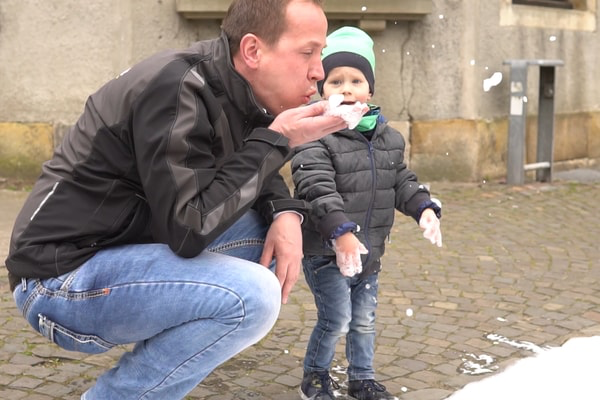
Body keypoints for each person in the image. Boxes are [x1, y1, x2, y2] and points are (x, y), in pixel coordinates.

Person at [5, 1, 351, 399]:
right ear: (254, 50)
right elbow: (189, 228)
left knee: (269, 237)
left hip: (120, 251)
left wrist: (285, 211)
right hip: (56, 281)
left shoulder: (237, 90)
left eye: (320, 53)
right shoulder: (176, 87)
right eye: (308, 52)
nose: (319, 71)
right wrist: (280, 140)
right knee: (252, 297)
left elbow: (241, 168)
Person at [291, 26, 443, 400]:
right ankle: (315, 375)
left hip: (370, 249)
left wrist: (423, 206)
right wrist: (338, 230)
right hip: (326, 249)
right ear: (321, 90)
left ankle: (362, 377)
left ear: (370, 90)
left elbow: (400, 180)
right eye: (335, 80)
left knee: (363, 320)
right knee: (337, 317)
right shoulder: (315, 136)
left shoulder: (389, 138)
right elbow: (314, 187)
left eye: (356, 80)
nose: (346, 88)